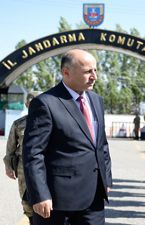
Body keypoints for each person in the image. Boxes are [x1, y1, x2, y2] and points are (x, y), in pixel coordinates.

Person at [23, 49, 112, 225]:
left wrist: (106, 179)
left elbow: (101, 144)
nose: (94, 76)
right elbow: (33, 154)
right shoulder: (45, 103)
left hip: (94, 198)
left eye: (95, 70)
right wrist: (40, 195)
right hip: (57, 201)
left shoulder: (96, 100)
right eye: (88, 71)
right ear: (66, 72)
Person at [3, 91, 41, 225]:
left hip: (45, 167)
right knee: (26, 200)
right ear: (27, 104)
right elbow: (10, 149)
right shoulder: (18, 124)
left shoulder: (51, 122)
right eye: (33, 103)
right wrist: (8, 167)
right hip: (23, 168)